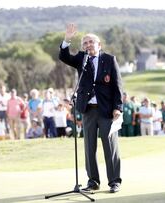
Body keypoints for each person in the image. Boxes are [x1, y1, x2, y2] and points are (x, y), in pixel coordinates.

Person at [59, 23, 123, 193]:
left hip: (107, 110)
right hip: (88, 109)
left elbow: (118, 86)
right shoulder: (81, 58)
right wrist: (67, 39)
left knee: (110, 146)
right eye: (85, 43)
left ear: (99, 45)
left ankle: (114, 181)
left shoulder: (109, 59)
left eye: (90, 42)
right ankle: (93, 181)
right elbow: (64, 57)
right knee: (89, 147)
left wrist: (117, 107)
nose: (87, 45)